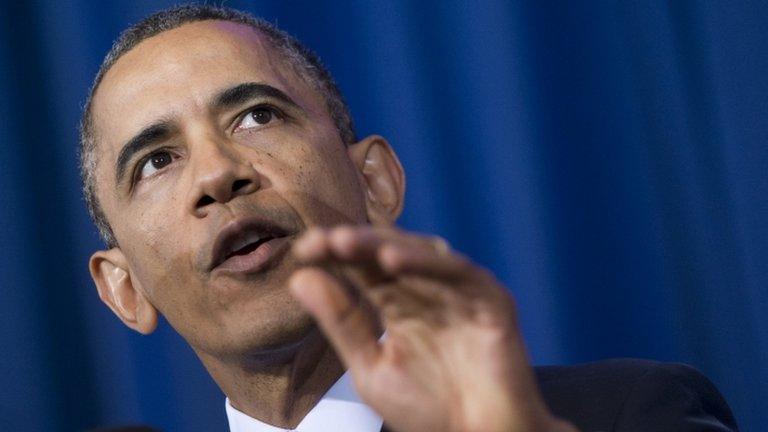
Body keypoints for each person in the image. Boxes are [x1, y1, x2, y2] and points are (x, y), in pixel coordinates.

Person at [81, 5, 738, 432]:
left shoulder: (632, 413)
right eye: (155, 161)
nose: (218, 174)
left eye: (257, 115)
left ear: (375, 182)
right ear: (124, 291)